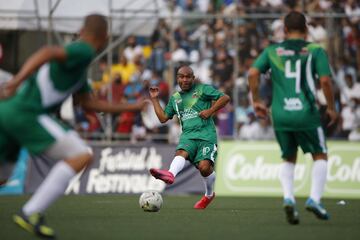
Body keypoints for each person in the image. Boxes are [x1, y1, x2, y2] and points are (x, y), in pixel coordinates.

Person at [0, 14, 145, 238]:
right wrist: (17, 80)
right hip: (27, 113)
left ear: (81, 29)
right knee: (81, 155)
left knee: (2, 178)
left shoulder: (79, 72)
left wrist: (134, 107)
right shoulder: (84, 50)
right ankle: (31, 212)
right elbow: (47, 52)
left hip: (9, 112)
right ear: (105, 37)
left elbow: (89, 103)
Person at [248, 11, 338, 225]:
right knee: (320, 154)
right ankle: (315, 199)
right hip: (306, 112)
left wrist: (257, 101)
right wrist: (332, 108)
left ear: (285, 30)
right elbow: (325, 81)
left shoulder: (272, 51)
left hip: (280, 114)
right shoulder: (316, 50)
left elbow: (252, 73)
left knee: (288, 157)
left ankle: (288, 197)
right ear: (306, 30)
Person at [148, 65, 230, 209]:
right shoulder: (175, 98)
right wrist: (155, 99)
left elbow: (225, 98)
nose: (185, 80)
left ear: (193, 78)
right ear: (177, 78)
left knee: (205, 168)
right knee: (181, 152)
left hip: (206, 136)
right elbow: (163, 118)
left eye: (188, 77)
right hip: (188, 136)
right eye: (181, 76)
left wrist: (210, 110)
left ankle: (209, 195)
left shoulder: (203, 89)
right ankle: (170, 174)